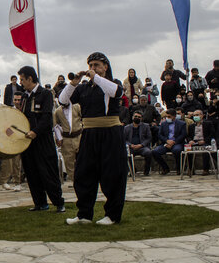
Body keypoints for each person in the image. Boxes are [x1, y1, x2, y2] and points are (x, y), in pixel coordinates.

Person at [60, 52, 127, 226]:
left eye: (97, 65)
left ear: (105, 67)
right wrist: (73, 84)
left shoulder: (112, 84)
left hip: (110, 132)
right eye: (91, 65)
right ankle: (84, 214)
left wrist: (95, 77)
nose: (93, 68)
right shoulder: (84, 88)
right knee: (83, 173)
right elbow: (63, 100)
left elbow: (116, 92)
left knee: (112, 174)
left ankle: (112, 215)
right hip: (89, 133)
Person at [18, 66, 65, 213]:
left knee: (48, 172)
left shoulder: (45, 94)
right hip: (28, 141)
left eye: (22, 79)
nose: (21, 83)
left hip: (43, 140)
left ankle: (59, 203)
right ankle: (40, 203)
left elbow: (46, 118)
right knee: (32, 173)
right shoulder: (25, 96)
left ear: (30, 78)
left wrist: (35, 132)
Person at [53, 101, 82, 183]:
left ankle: (84, 178)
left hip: (78, 136)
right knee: (69, 162)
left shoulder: (77, 107)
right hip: (66, 139)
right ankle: (75, 180)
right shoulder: (58, 111)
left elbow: (84, 118)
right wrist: (58, 138)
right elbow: (56, 126)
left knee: (83, 159)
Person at [152, 108, 187, 175]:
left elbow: (183, 135)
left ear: (174, 116)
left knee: (177, 150)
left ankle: (179, 168)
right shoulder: (163, 124)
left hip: (177, 143)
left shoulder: (182, 124)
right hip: (166, 143)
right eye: (166, 117)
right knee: (155, 152)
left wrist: (174, 142)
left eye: (169, 117)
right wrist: (166, 141)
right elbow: (160, 134)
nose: (167, 118)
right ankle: (165, 168)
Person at [186, 110, 216, 175]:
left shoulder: (208, 123)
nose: (195, 116)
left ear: (202, 115)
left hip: (204, 141)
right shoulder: (191, 126)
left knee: (205, 150)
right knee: (188, 150)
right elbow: (188, 136)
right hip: (194, 141)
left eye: (197, 115)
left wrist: (204, 141)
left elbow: (212, 134)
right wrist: (190, 140)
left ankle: (206, 169)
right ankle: (191, 169)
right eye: (194, 115)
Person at [124, 111, 153, 175]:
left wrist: (141, 145)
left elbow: (149, 138)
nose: (137, 118)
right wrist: (130, 145)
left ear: (141, 118)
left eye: (139, 117)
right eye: (135, 116)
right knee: (124, 153)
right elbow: (124, 139)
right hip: (131, 147)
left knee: (148, 152)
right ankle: (133, 170)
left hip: (142, 147)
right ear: (132, 117)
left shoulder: (146, 126)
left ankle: (146, 171)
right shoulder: (127, 127)